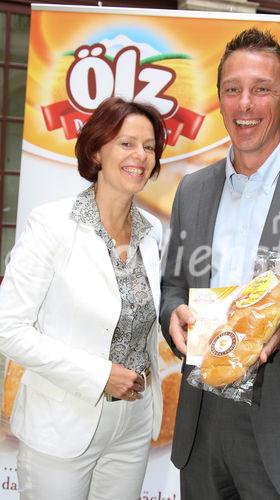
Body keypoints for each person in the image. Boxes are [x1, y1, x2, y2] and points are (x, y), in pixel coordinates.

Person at [160, 28, 280, 500]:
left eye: (262, 89)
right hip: (202, 423)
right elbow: (173, 286)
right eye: (232, 90)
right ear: (219, 99)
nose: (245, 105)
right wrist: (172, 315)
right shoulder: (192, 190)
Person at [0, 96, 166, 500]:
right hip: (61, 425)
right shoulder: (51, 226)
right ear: (96, 150)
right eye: (127, 143)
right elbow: (7, 328)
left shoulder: (152, 233)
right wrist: (98, 375)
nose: (140, 155)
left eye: (149, 146)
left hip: (133, 424)